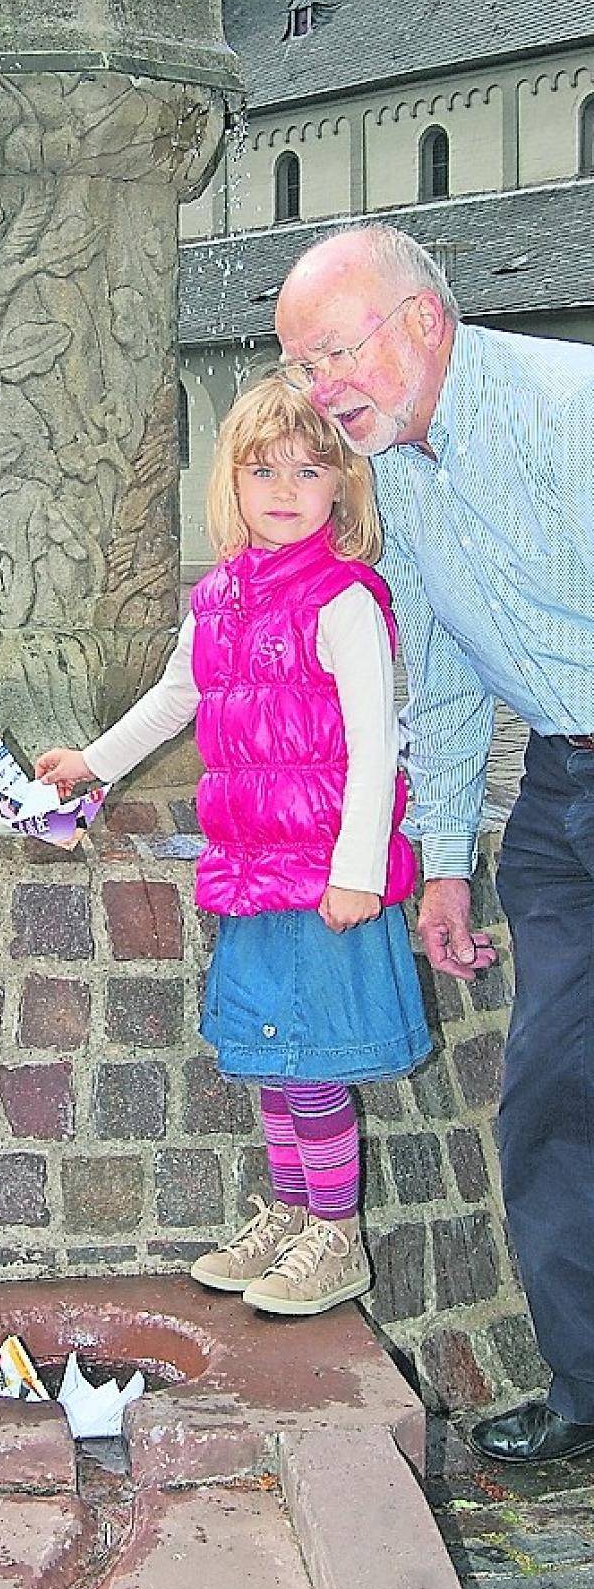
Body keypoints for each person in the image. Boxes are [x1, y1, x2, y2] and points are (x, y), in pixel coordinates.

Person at [275, 221, 594, 1462]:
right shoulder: (399, 468)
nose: (323, 389)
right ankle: (586, 1393)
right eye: (304, 367)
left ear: (423, 322)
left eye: (336, 352)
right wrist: (446, 859)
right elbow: (446, 672)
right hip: (563, 797)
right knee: (550, 1104)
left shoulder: (569, 413)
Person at [37, 374, 429, 1317]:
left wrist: (356, 871)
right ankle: (293, 1214)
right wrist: (90, 765)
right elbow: (178, 699)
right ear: (232, 485)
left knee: (317, 1066)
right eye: (263, 471)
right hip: (250, 870)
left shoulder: (344, 603)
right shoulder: (217, 598)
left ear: (342, 483)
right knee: (269, 1058)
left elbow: (377, 746)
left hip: (324, 881)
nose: (285, 488)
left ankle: (336, 1235)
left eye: (308, 468)